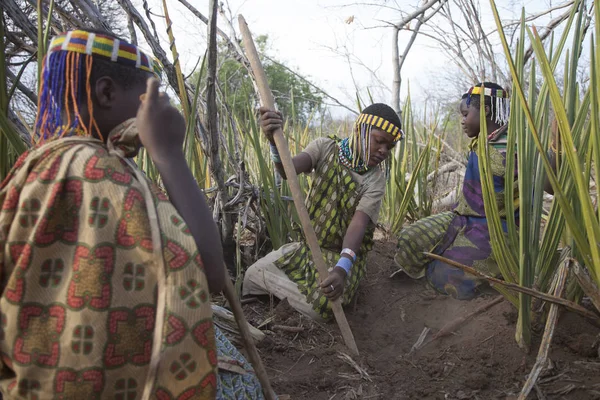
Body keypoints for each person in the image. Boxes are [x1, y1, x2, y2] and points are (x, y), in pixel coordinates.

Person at [0, 29, 263, 399]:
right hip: (103, 383)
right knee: (241, 387)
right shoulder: (103, 173)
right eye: (148, 99)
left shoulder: (31, 166)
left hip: (30, 379)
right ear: (106, 93)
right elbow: (208, 274)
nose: (157, 111)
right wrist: (168, 153)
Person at [243, 104, 403, 320]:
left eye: (390, 146)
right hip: (309, 247)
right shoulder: (325, 147)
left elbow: (357, 225)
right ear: (360, 130)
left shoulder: (374, 181)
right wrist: (273, 141)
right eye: (379, 141)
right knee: (251, 276)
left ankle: (282, 293)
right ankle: (289, 294)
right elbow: (287, 170)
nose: (384, 150)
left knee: (321, 306)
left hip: (341, 257)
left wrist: (341, 270)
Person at [393, 82, 517, 299]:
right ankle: (445, 259)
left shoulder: (513, 148)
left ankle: (483, 283)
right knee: (410, 239)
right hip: (463, 217)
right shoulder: (482, 142)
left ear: (485, 110)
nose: (462, 120)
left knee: (447, 277)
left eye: (465, 113)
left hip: (498, 228)